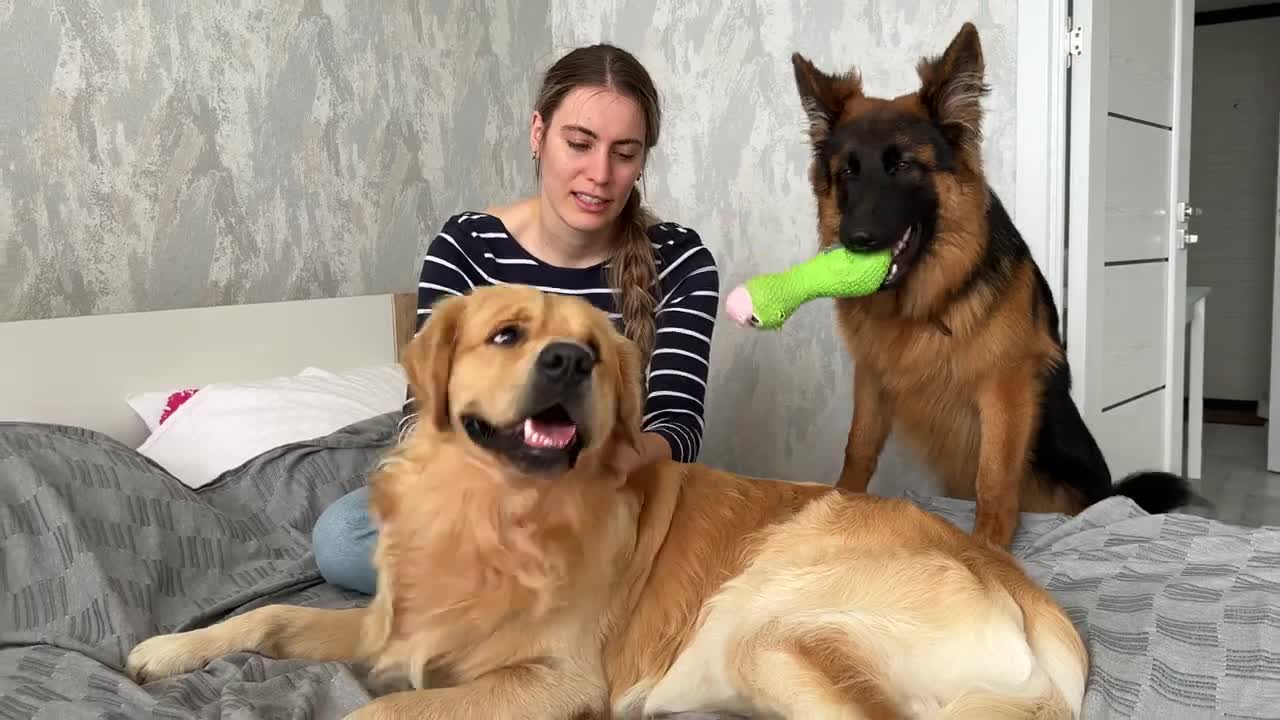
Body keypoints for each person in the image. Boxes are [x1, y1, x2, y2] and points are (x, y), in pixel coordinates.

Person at [310, 43, 720, 595]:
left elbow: (676, 426)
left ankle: (527, 593)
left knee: (675, 548)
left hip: (604, 487)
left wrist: (589, 479)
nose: (600, 174)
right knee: (343, 536)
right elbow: (424, 411)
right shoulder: (468, 245)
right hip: (481, 482)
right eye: (579, 143)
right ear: (538, 134)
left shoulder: (682, 259)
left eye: (624, 153)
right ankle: (547, 592)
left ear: (642, 159)